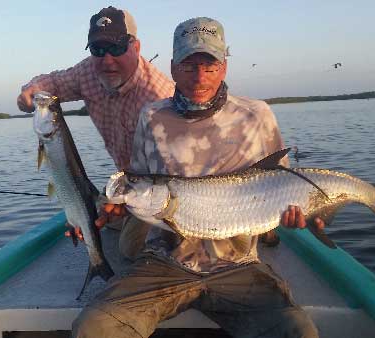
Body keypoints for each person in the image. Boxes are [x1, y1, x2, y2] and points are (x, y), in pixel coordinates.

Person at [72, 17, 321, 338]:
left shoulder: (256, 115)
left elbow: (283, 186)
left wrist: (301, 214)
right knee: (94, 327)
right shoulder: (152, 117)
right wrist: (114, 206)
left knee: (298, 331)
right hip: (164, 262)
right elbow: (138, 182)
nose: (200, 77)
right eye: (189, 67)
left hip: (239, 265)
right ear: (173, 68)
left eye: (210, 66)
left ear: (224, 67)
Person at [17, 6, 175, 170]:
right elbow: (54, 82)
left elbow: (171, 170)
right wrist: (30, 90)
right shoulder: (89, 71)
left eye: (116, 48)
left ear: (136, 48)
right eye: (97, 49)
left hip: (155, 182)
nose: (107, 60)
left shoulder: (160, 99)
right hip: (123, 177)